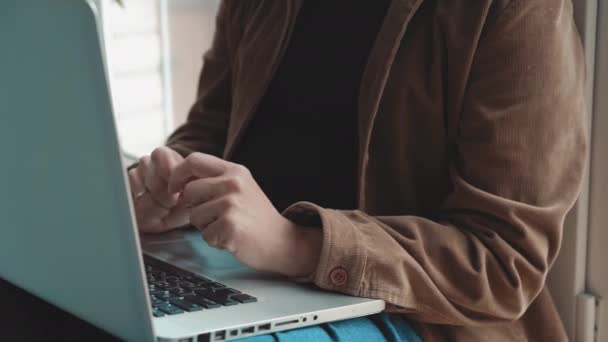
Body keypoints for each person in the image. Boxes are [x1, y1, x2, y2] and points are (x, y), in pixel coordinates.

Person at [128, 0, 586, 341]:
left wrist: (298, 245)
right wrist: (168, 185)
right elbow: (211, 127)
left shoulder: (515, 10)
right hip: (236, 276)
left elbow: (504, 261)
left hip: (420, 320)